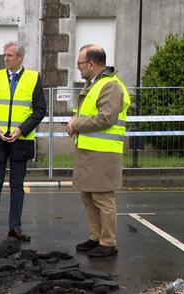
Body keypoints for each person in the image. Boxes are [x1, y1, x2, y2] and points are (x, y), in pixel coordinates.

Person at [0, 41, 46, 242]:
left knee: (18, 185)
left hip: (21, 140)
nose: (5, 58)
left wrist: (21, 130)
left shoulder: (33, 78)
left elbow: (40, 110)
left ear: (20, 57)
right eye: (4, 55)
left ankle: (15, 227)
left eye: (9, 55)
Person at [67, 44, 130, 258]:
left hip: (103, 153)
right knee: (88, 195)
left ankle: (108, 242)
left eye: (80, 64)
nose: (79, 68)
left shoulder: (110, 86)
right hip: (89, 151)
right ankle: (96, 237)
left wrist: (76, 124)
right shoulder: (95, 85)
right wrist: (77, 126)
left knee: (103, 198)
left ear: (91, 64)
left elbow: (106, 118)